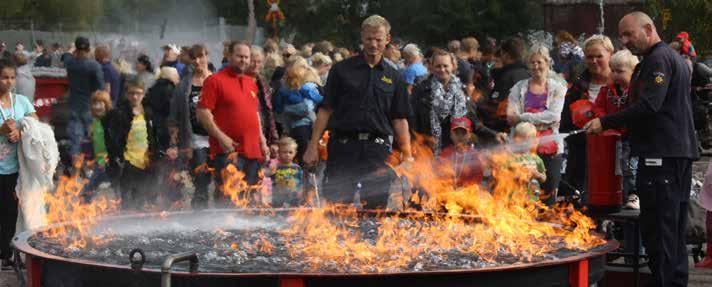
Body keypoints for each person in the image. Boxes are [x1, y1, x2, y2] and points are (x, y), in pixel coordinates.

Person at [585, 12, 698, 286]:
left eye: (628, 34)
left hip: (662, 157)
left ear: (648, 29)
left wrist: (606, 121)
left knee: (659, 232)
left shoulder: (658, 60)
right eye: (621, 35)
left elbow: (650, 105)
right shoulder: (668, 59)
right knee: (671, 231)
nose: (624, 41)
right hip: (675, 155)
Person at [302, 15, 412, 209]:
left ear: (388, 39)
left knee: (376, 211)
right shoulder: (341, 70)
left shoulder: (395, 76)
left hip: (377, 150)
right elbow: (325, 111)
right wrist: (312, 147)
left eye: (378, 39)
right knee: (336, 209)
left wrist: (408, 154)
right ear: (362, 37)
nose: (373, 44)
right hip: (343, 148)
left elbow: (400, 119)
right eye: (369, 38)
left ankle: (372, 239)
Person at [197, 41, 269, 207]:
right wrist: (221, 137)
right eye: (239, 56)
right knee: (229, 198)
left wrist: (263, 141)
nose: (243, 60)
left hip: (253, 151)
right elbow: (202, 113)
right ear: (228, 56)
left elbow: (254, 113)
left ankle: (249, 232)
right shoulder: (214, 81)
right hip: (228, 152)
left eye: (246, 57)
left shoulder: (251, 82)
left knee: (251, 198)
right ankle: (224, 231)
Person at [506, 44, 566, 206]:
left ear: (547, 63)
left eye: (539, 62)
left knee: (548, 194)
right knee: (518, 194)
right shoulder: (518, 88)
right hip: (521, 148)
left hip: (550, 147)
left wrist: (524, 117)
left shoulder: (557, 88)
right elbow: (511, 117)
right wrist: (540, 118)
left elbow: (554, 115)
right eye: (532, 62)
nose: (536, 66)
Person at [560, 35, 614, 199]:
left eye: (599, 56)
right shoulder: (578, 85)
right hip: (582, 156)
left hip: (614, 154)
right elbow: (565, 121)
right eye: (589, 57)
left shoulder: (623, 83)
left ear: (610, 54)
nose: (594, 61)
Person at [0, 59, 37, 269]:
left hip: (15, 169)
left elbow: (35, 122)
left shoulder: (21, 101)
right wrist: (1, 130)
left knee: (12, 213)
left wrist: (18, 130)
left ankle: (7, 255)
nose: (9, 82)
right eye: (4, 77)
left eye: (12, 77)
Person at [592, 49, 639, 208]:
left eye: (620, 71)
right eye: (612, 71)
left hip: (630, 136)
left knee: (630, 166)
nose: (615, 75)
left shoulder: (635, 91)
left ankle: (633, 194)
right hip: (611, 137)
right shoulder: (606, 91)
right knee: (614, 168)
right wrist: (603, 120)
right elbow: (598, 108)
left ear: (633, 72)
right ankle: (617, 194)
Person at [104, 80, 158, 210]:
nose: (135, 97)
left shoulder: (148, 113)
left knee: (141, 199)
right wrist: (116, 158)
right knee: (127, 202)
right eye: (131, 93)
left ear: (143, 95)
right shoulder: (119, 114)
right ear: (127, 95)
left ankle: (139, 227)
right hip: (127, 163)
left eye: (138, 93)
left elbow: (154, 135)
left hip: (145, 162)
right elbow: (111, 138)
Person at [171, 44, 213, 210]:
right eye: (194, 57)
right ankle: (200, 211)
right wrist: (174, 142)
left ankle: (224, 214)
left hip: (218, 138)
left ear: (207, 57)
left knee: (222, 178)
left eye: (201, 56)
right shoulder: (183, 86)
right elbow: (174, 116)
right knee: (201, 175)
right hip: (195, 138)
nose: (198, 61)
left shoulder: (216, 80)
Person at [410, 49, 468, 156]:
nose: (442, 69)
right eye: (438, 66)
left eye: (445, 66)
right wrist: (415, 144)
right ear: (431, 67)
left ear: (453, 66)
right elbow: (413, 120)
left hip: (454, 149)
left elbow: (470, 117)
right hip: (427, 148)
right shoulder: (421, 89)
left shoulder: (461, 90)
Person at [63, 37, 105, 163]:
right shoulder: (94, 66)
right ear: (89, 48)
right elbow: (100, 88)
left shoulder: (70, 63)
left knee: (75, 138)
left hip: (74, 105)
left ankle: (75, 166)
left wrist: (70, 50)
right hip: (90, 106)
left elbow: (66, 55)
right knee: (95, 136)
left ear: (76, 48)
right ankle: (97, 163)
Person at [273, 63, 323, 162]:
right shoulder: (297, 91)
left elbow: (281, 110)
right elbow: (306, 108)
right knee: (303, 159)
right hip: (301, 128)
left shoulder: (290, 90)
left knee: (302, 158)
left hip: (299, 127)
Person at [478, 37, 529, 133]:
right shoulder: (527, 73)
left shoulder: (506, 76)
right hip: (525, 127)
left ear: (506, 54)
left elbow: (495, 107)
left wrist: (478, 104)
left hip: (506, 129)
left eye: (501, 53)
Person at [439, 117, 483, 188]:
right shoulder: (445, 153)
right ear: (451, 135)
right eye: (457, 133)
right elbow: (440, 175)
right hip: (447, 192)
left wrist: (465, 189)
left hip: (467, 194)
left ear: (469, 135)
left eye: (463, 133)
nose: (460, 136)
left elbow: (477, 179)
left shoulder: (475, 156)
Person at [248, 46, 279, 148]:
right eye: (253, 61)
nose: (256, 65)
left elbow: (269, 111)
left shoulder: (262, 81)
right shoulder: (240, 81)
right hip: (248, 133)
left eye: (259, 62)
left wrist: (275, 140)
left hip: (264, 132)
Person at [85, 90, 112, 201]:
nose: (97, 107)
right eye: (95, 103)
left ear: (106, 104)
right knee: (92, 184)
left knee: (92, 184)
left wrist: (105, 160)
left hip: (108, 160)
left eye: (101, 103)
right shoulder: (95, 121)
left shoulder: (110, 121)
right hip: (100, 160)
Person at [509, 122, 547, 201]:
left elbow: (544, 178)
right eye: (520, 139)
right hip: (514, 199)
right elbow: (502, 176)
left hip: (532, 199)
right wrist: (519, 175)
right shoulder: (510, 157)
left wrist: (538, 175)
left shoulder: (536, 159)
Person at [266, 136, 303, 207]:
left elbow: (301, 181)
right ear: (279, 152)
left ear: (295, 153)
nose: (287, 155)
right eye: (284, 152)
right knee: (277, 213)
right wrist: (269, 171)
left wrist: (300, 191)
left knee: (294, 212)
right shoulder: (275, 167)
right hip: (278, 197)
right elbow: (265, 175)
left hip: (293, 196)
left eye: (290, 152)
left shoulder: (297, 168)